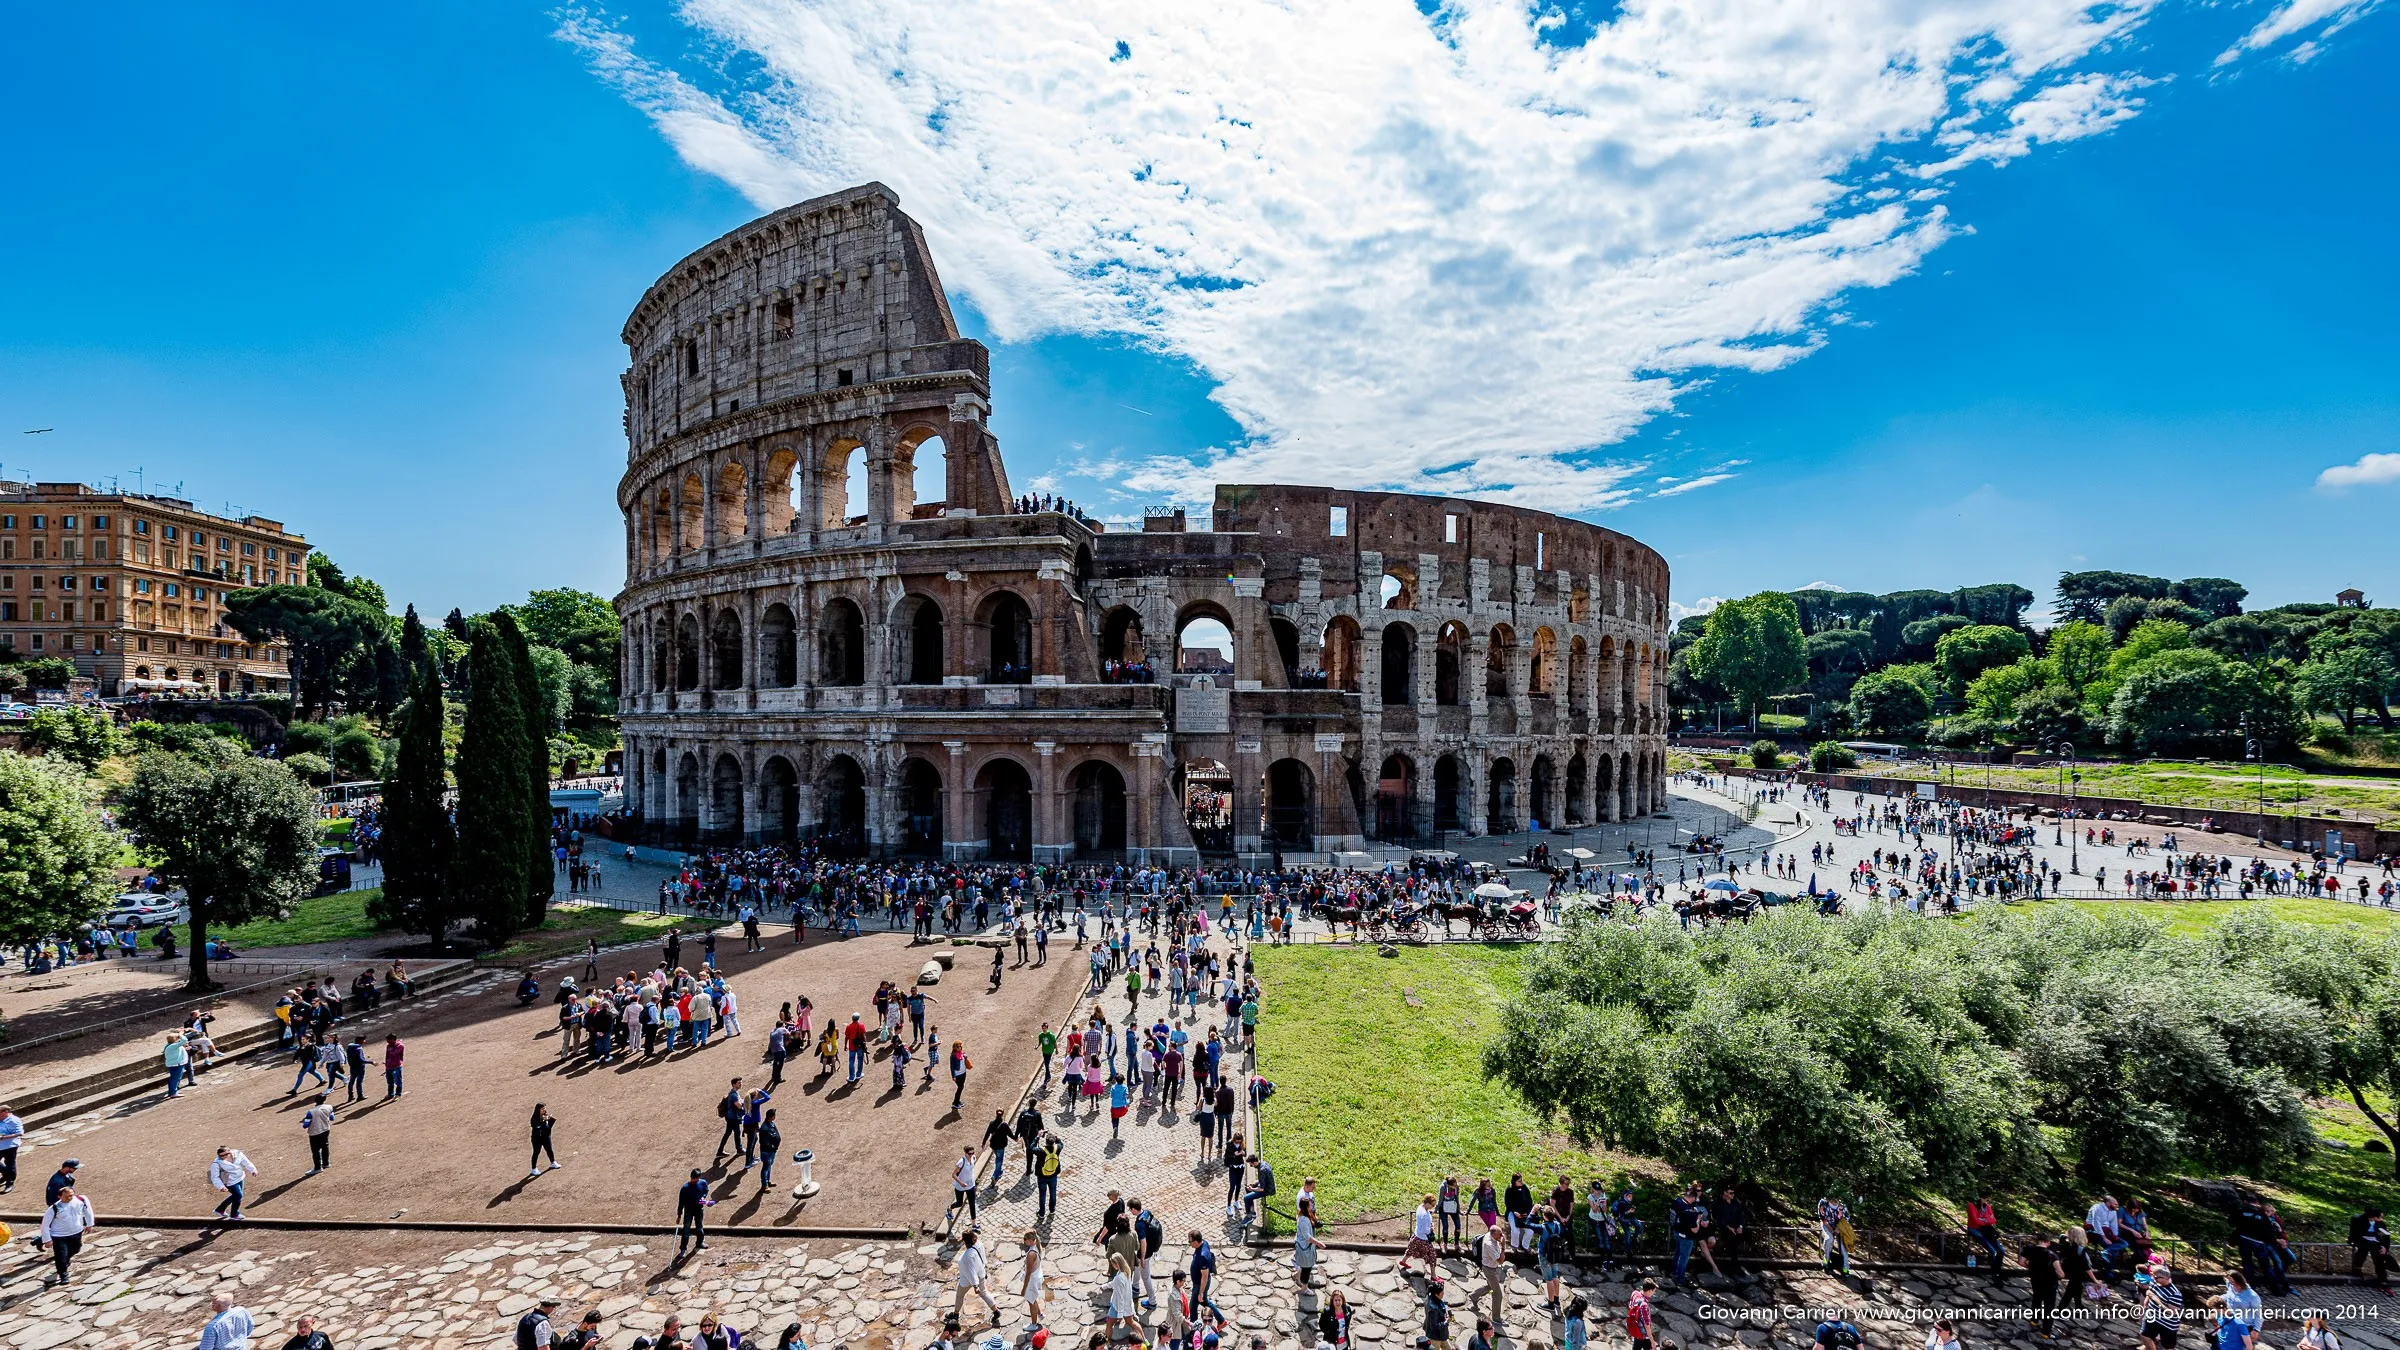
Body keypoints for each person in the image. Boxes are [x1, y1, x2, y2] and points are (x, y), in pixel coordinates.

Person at [39, 1182, 94, 1286]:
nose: (70, 1198)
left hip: (76, 1232)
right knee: (61, 1256)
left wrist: (89, 1223)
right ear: (60, 1196)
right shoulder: (54, 1208)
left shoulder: (81, 1200)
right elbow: (45, 1225)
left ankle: (65, 1260)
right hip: (59, 1236)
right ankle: (63, 1274)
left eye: (71, 1195)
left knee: (76, 1249)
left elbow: (88, 1210)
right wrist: (47, 1240)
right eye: (67, 1196)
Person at [952, 1228, 1001, 1324]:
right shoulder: (979, 1244)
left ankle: (956, 1314)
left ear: (964, 1241)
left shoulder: (967, 1257)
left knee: (960, 1295)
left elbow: (971, 1272)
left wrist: (975, 1285)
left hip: (967, 1279)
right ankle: (996, 1311)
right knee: (984, 1293)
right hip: (981, 1273)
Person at [2140, 1264, 2185, 1350]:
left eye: (2156, 1277)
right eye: (2152, 1275)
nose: (2153, 1278)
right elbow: (2150, 1292)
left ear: (2166, 1278)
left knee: (2168, 1347)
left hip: (2167, 1323)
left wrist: (2156, 1300)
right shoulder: (2154, 1282)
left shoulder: (2174, 1294)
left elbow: (2171, 1312)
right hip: (2152, 1316)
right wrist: (2145, 1305)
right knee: (2144, 1335)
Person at [210, 1145, 258, 1223]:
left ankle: (220, 1210)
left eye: (226, 1154)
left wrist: (253, 1170)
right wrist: (221, 1186)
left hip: (240, 1177)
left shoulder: (238, 1154)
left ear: (230, 1151)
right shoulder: (216, 1163)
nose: (224, 1157)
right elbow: (214, 1177)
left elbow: (246, 1162)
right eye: (221, 1156)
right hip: (229, 1181)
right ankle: (234, 1214)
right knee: (238, 1195)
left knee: (236, 1196)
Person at [1475, 1221, 1508, 1330]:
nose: (1502, 1236)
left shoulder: (1492, 1236)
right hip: (1490, 1270)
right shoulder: (1489, 1244)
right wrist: (1503, 1246)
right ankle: (1496, 1318)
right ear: (1493, 1234)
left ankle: (1473, 1296)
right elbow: (1500, 1260)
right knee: (1497, 1294)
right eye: (1500, 1234)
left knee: (1490, 1287)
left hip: (1491, 1268)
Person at [677, 1168, 713, 1257]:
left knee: (699, 1228)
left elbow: (706, 1190)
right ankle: (683, 1249)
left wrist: (703, 1198)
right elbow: (681, 1202)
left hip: (699, 1209)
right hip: (688, 1211)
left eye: (695, 1178)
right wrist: (679, 1215)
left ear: (698, 1178)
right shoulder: (685, 1188)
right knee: (686, 1230)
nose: (693, 1180)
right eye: (692, 1178)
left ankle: (700, 1243)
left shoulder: (703, 1183)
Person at [300, 1094, 337, 1174]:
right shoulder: (329, 1107)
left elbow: (305, 1125)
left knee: (315, 1150)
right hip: (326, 1129)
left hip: (315, 1132)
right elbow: (332, 1118)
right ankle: (326, 1163)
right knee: (325, 1146)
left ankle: (317, 1167)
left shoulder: (311, 1112)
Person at [946, 1146, 979, 1232]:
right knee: (959, 1203)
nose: (971, 1155)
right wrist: (961, 1183)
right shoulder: (961, 1162)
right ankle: (949, 1208)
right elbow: (953, 1174)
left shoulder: (973, 1158)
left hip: (970, 1185)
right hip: (960, 1186)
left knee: (972, 1204)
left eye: (973, 1153)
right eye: (969, 1154)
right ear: (965, 1153)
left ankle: (974, 1224)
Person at [1019, 1231, 1047, 1329]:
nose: (1024, 1241)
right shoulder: (1037, 1247)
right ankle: (1040, 1314)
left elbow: (1028, 1272)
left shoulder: (1031, 1254)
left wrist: (1024, 1288)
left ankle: (1034, 1324)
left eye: (1025, 1239)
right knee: (1033, 1298)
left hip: (1032, 1280)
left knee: (1031, 1301)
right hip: (1037, 1275)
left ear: (1030, 1240)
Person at [530, 1104, 560, 1176]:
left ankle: (553, 1162)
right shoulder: (534, 1118)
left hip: (546, 1137)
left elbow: (548, 1127)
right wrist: (544, 1120)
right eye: (542, 1109)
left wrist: (550, 1120)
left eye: (544, 1108)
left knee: (549, 1150)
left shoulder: (545, 1116)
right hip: (537, 1138)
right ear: (538, 1110)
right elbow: (538, 1126)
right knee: (536, 1152)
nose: (544, 1110)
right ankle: (534, 1169)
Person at [1625, 1280, 1656, 1350]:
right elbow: (1647, 1326)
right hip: (1643, 1333)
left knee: (1636, 1344)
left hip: (1635, 1327)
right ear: (1649, 1291)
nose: (1654, 1293)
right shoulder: (1644, 1305)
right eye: (1654, 1291)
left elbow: (1630, 1307)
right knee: (1645, 1345)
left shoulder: (1635, 1293)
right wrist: (1652, 1341)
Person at [0, 1102, 19, 1194]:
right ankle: (6, 1174)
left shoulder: (14, 1120)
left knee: (10, 1164)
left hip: (10, 1146)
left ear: (5, 1112)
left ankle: (9, 1183)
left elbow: (19, 1133)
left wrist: (3, 1137)